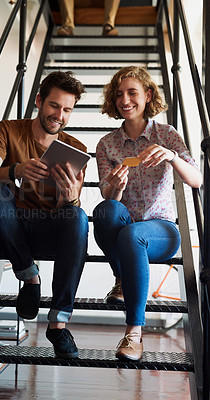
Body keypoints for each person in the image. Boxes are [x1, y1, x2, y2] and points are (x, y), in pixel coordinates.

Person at [0, 71, 89, 359]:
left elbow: (67, 213)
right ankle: (29, 276)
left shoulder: (76, 149)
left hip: (49, 229)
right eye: (54, 106)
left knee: (78, 216)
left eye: (67, 110)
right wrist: (16, 170)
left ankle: (59, 323)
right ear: (39, 101)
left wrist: (71, 195)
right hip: (8, 229)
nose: (59, 115)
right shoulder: (8, 130)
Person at [92, 66, 202, 361]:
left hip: (162, 231)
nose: (124, 100)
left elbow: (196, 179)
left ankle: (134, 334)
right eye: (118, 95)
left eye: (132, 93)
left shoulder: (167, 134)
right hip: (125, 229)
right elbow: (108, 198)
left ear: (148, 95)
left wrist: (173, 156)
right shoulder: (106, 145)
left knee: (134, 233)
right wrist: (115, 187)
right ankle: (122, 279)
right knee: (105, 210)